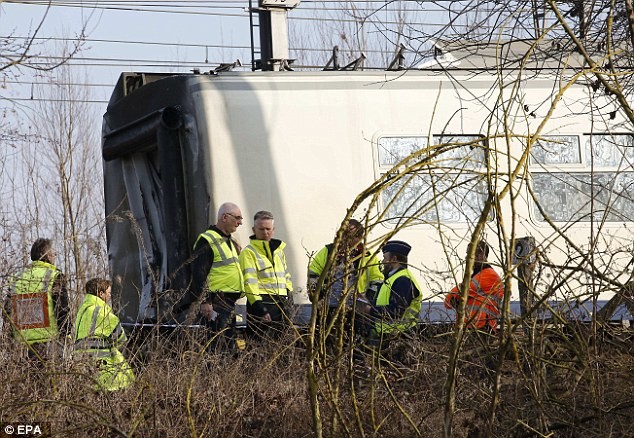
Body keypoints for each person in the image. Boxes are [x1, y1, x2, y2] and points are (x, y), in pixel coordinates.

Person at [307, 219, 384, 342]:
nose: (345, 239)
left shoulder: (367, 255)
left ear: (359, 238)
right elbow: (313, 273)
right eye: (343, 234)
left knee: (355, 345)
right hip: (328, 308)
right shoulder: (328, 251)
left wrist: (369, 298)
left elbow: (378, 279)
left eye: (350, 236)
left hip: (356, 309)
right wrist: (317, 296)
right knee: (327, 342)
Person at [190, 202, 245, 351]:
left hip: (233, 302)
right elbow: (198, 273)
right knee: (218, 347)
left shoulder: (230, 241)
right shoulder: (207, 240)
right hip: (217, 302)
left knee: (234, 345)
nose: (240, 222)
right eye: (238, 218)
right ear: (224, 217)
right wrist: (205, 301)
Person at [5, 238, 70, 361]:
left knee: (28, 379)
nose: (55, 257)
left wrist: (9, 339)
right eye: (53, 254)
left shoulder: (17, 278)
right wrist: (66, 333)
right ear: (45, 255)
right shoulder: (54, 276)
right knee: (51, 378)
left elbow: (7, 310)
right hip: (49, 342)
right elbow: (62, 309)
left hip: (21, 345)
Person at [239, 211, 293, 340]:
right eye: (261, 229)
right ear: (254, 230)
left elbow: (286, 276)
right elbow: (249, 283)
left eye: (268, 229)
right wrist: (260, 309)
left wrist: (289, 297)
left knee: (281, 347)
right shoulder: (249, 253)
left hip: (281, 304)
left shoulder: (279, 251)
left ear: (273, 230)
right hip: (261, 304)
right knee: (257, 347)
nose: (265, 232)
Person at [74, 278, 135, 391]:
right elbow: (120, 338)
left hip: (82, 364)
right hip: (102, 366)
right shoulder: (101, 311)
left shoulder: (81, 311)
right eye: (109, 293)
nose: (110, 296)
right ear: (101, 294)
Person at [444, 240, 505, 333]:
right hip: (472, 327)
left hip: (481, 328)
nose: (466, 258)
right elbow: (448, 302)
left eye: (469, 254)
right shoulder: (478, 275)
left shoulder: (487, 276)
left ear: (481, 255)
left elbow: (451, 297)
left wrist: (456, 301)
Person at [369, 240, 423, 340]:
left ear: (393, 259)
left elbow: (396, 312)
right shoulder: (392, 278)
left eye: (385, 258)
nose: (383, 262)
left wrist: (370, 310)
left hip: (400, 337)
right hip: (391, 335)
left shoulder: (403, 280)